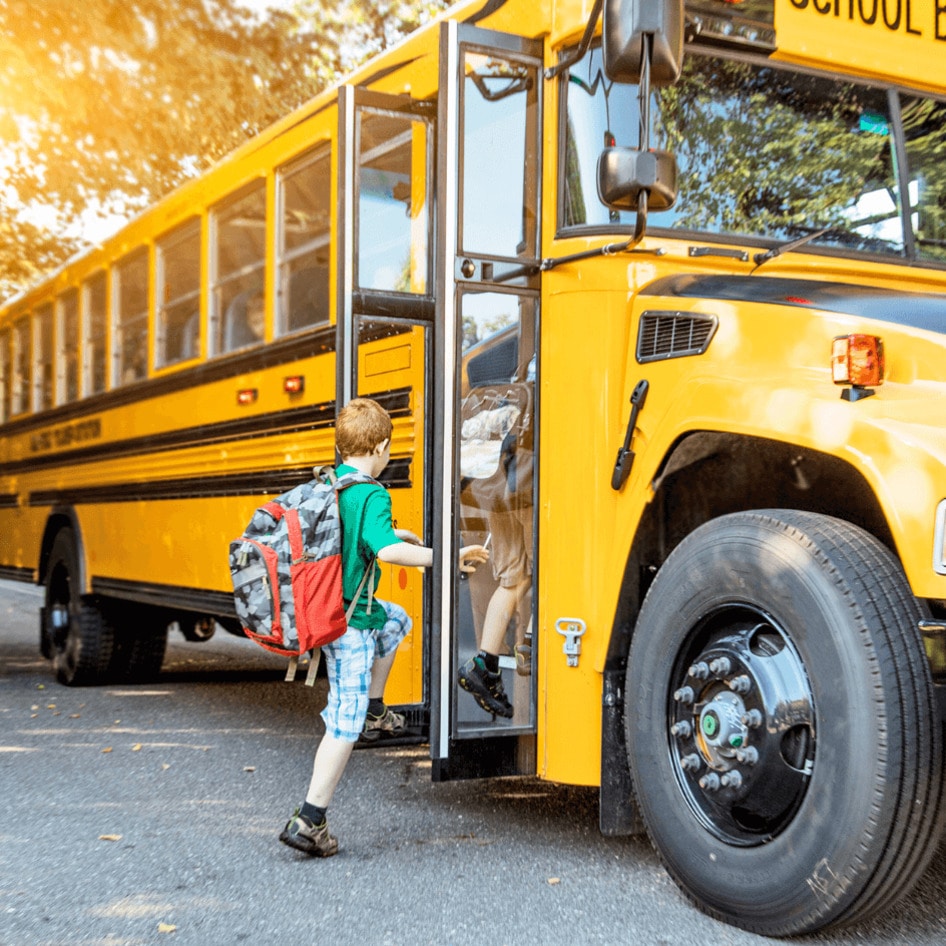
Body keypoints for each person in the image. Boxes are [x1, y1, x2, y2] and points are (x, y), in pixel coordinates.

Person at [280, 396, 489, 857]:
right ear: (380, 447)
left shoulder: (334, 483)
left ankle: (376, 707)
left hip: (338, 613)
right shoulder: (373, 491)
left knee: (396, 620)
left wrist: (400, 535)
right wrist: (444, 557)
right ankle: (309, 819)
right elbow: (386, 551)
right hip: (348, 628)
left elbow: (367, 537)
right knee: (342, 724)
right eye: (390, 447)